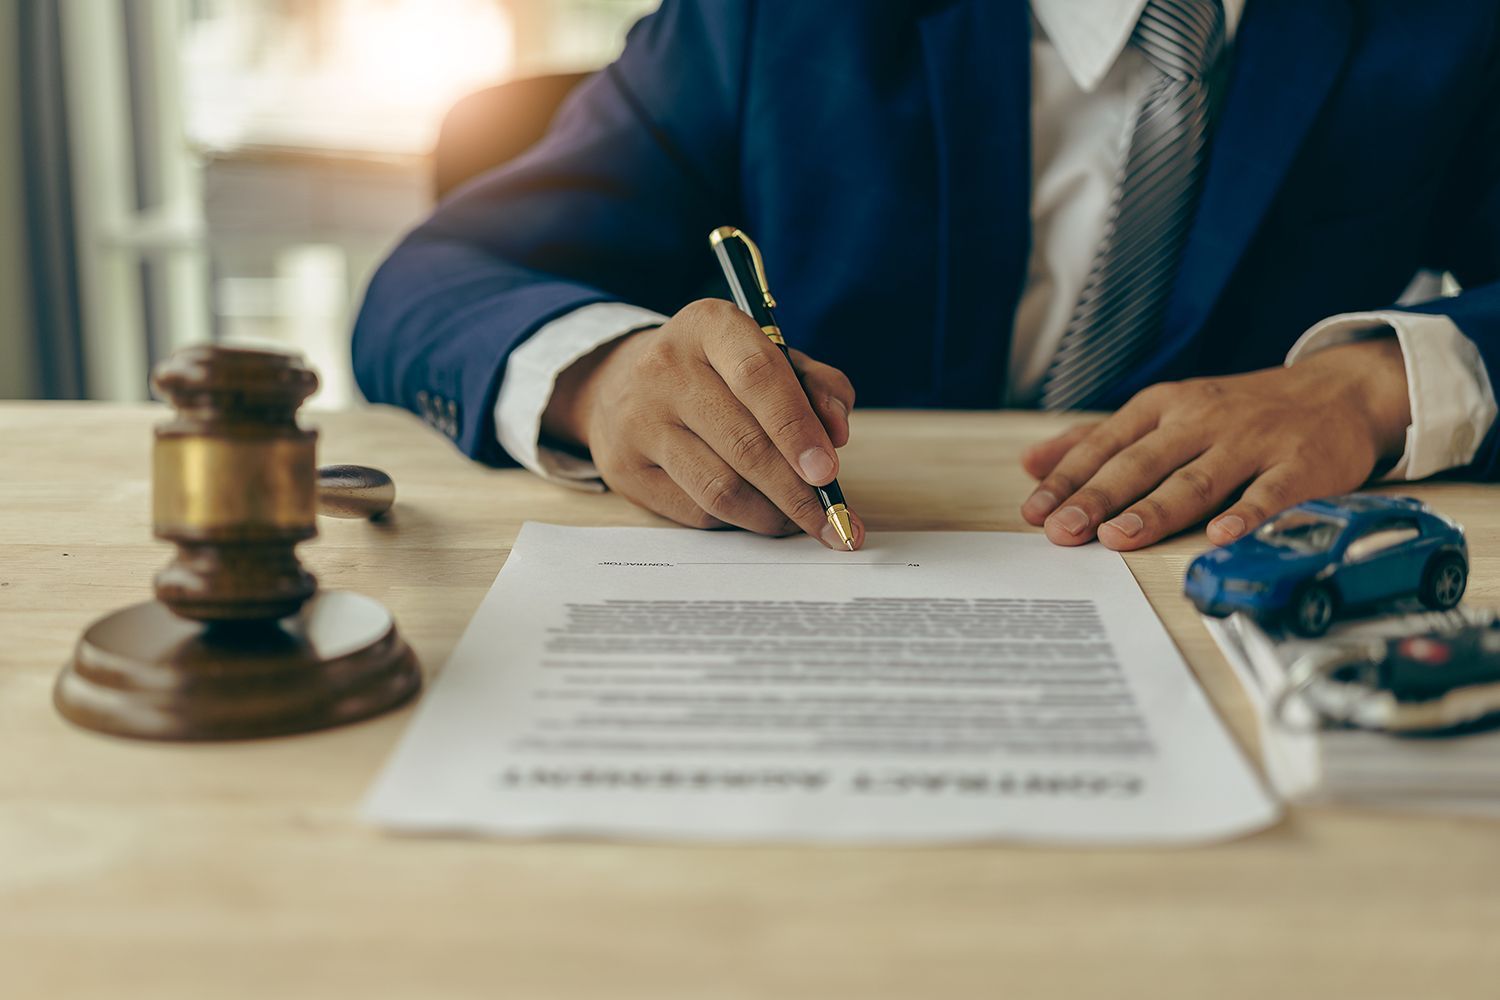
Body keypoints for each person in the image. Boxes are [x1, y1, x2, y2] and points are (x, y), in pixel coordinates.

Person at [353, 0, 1500, 553]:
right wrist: (599, 379)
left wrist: (1375, 388)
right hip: (822, 598)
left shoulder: (1449, 27)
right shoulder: (767, 20)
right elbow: (434, 280)